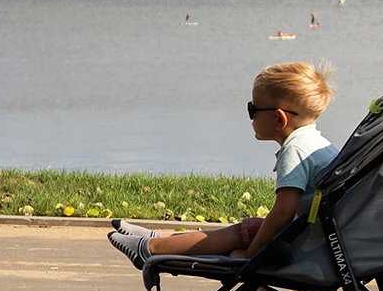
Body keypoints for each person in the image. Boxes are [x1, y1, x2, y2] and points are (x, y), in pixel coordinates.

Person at [108, 62, 337, 266]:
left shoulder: (295, 150)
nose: (251, 115)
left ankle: (149, 249)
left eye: (253, 109)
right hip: (315, 236)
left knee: (243, 234)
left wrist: (251, 255)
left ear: (279, 119)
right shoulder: (315, 143)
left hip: (303, 245)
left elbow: (283, 214)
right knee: (245, 230)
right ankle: (158, 241)